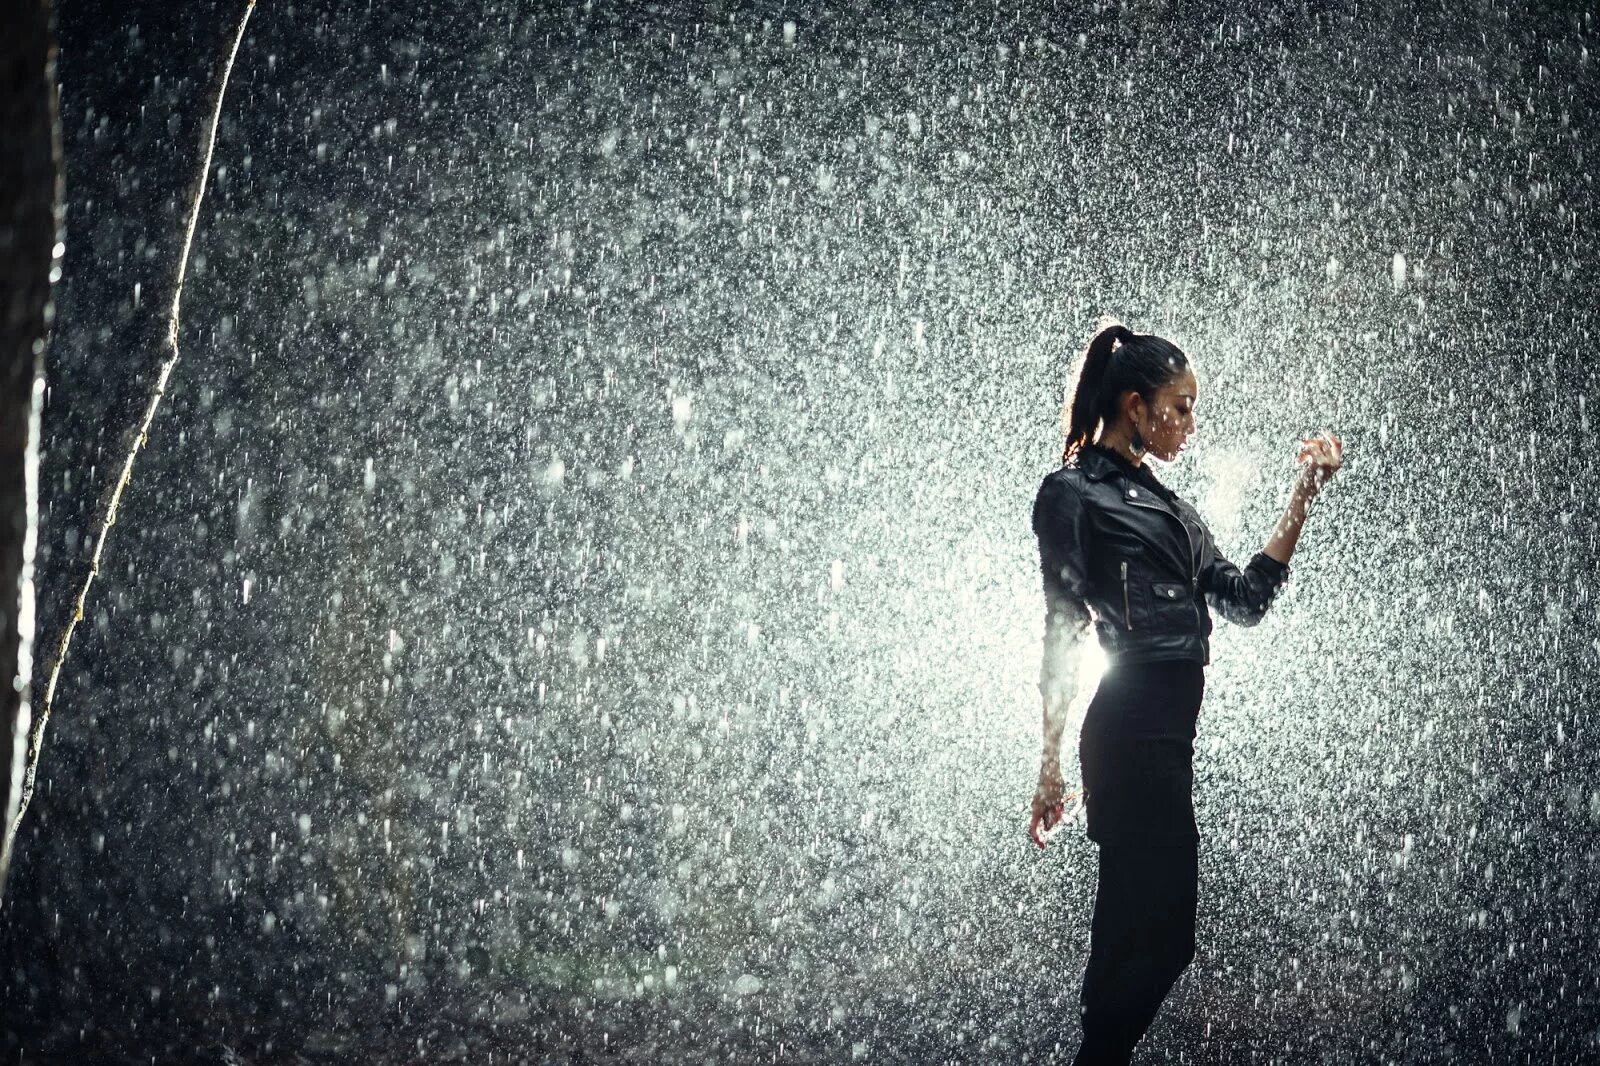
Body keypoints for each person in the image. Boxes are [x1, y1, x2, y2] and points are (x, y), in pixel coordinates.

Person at [1027, 321, 1343, 1064]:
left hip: (1166, 740)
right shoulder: (1073, 495)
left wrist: (1305, 492)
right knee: (1162, 937)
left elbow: (1245, 601)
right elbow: (1062, 626)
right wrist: (1048, 763)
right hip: (1129, 733)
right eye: (1181, 406)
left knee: (1132, 941)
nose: (1190, 425)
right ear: (1136, 407)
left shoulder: (1172, 510)